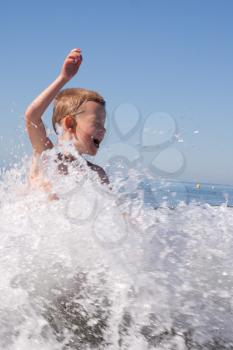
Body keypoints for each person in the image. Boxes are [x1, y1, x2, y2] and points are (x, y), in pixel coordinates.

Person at [25, 48, 109, 197]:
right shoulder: (46, 154)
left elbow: (113, 212)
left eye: (103, 124)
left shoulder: (97, 174)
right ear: (70, 124)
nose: (104, 130)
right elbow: (32, 117)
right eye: (97, 123)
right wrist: (64, 78)